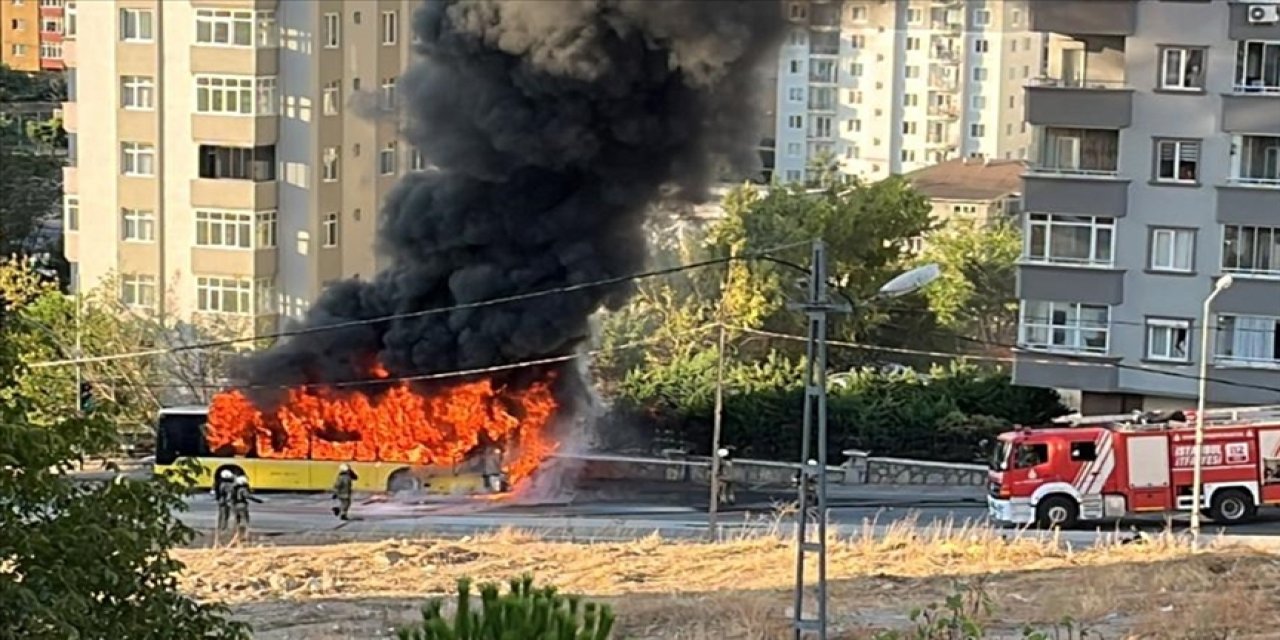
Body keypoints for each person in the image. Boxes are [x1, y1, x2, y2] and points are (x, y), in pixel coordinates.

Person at [229, 475, 262, 544]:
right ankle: (245, 535)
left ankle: (237, 534)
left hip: (234, 505)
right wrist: (257, 500)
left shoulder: (233, 488)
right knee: (245, 520)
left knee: (237, 521)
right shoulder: (243, 489)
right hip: (242, 505)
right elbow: (247, 496)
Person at [212, 469, 236, 545]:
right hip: (225, 502)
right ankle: (223, 527)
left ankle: (220, 527)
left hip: (221, 501)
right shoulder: (228, 485)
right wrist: (229, 502)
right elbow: (229, 494)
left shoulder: (219, 483)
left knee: (221, 515)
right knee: (225, 515)